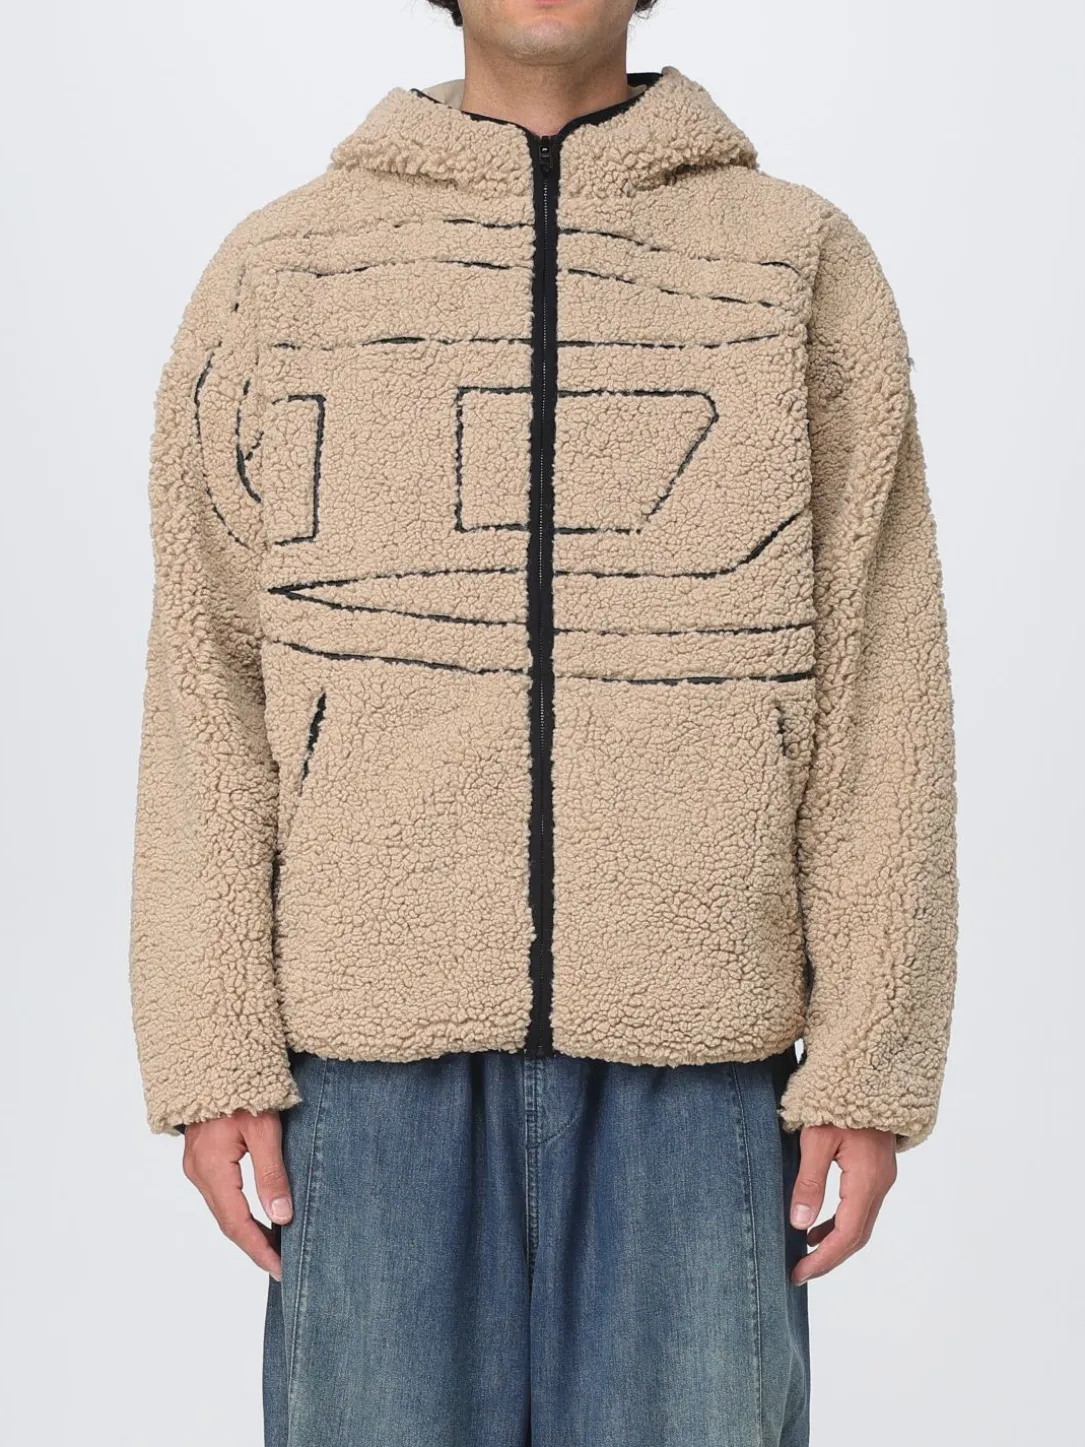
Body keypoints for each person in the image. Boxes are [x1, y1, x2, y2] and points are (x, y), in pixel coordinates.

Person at [128, 1, 958, 1442]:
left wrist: (872, 1053)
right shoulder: (287, 270)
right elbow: (207, 682)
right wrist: (210, 1052)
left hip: (701, 1062)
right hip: (366, 1068)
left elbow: (884, 685)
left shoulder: (797, 264)